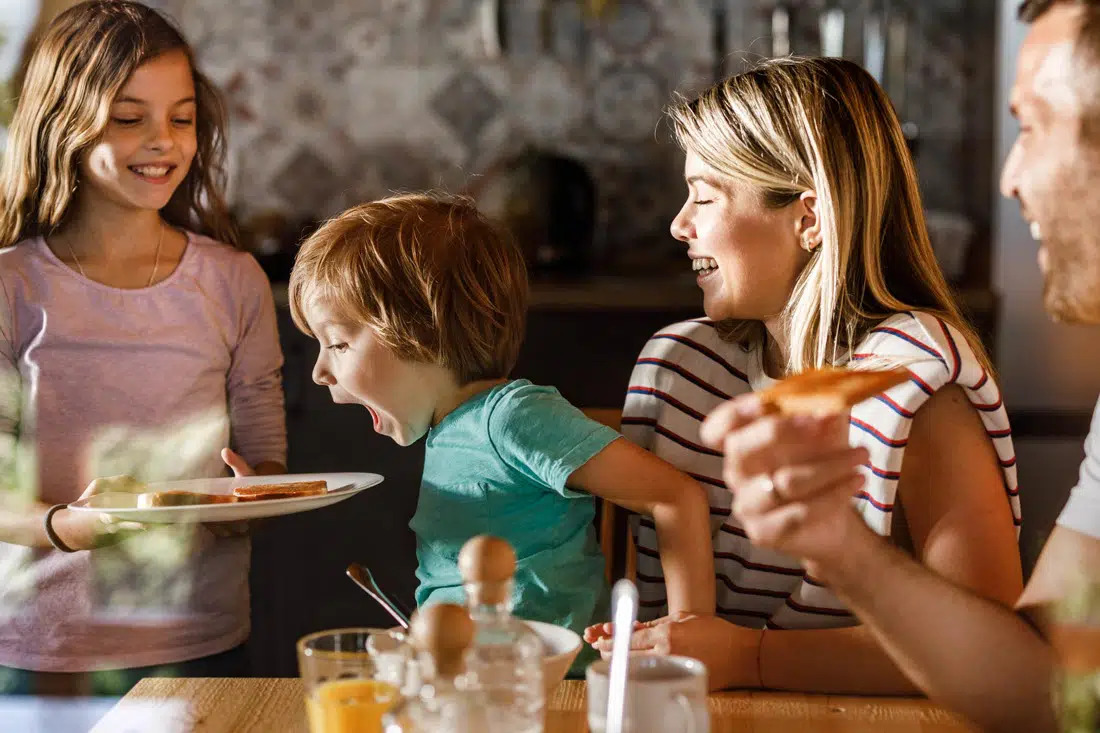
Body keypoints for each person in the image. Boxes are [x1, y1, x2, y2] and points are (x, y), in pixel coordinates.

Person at [694, 1, 1100, 730]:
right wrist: (841, 546)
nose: (1008, 178)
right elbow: (1050, 690)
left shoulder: (924, 379)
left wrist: (753, 653)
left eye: (1032, 127)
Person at [584, 56, 1025, 695]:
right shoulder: (676, 367)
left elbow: (990, 651)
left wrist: (752, 659)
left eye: (705, 196)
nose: (680, 224)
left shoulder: (915, 383)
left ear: (809, 218)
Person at [287, 193, 715, 671]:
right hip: (474, 686)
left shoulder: (511, 417)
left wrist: (693, 636)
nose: (320, 371)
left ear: (419, 329)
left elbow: (673, 497)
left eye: (338, 343)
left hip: (551, 691)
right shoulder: (449, 431)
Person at [0, 1, 286, 696]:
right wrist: (72, 525)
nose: (163, 141)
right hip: (42, 653)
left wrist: (250, 495)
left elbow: (269, 458)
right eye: (130, 118)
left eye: (181, 118)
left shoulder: (233, 281)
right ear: (63, 122)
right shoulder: (12, 285)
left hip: (200, 641)